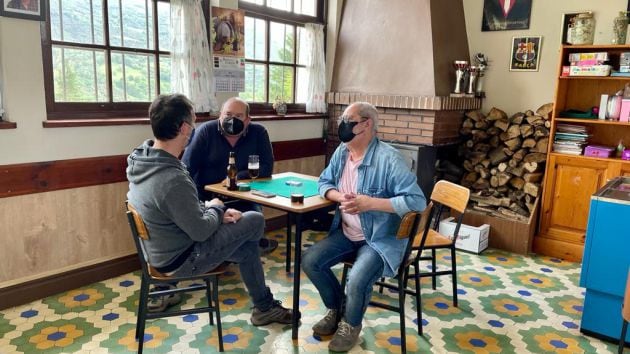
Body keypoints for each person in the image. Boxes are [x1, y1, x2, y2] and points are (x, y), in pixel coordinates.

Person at [126, 94, 292, 326]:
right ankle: (263, 303)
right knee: (254, 220)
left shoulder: (142, 160)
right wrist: (216, 208)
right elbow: (201, 232)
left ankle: (263, 306)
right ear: (184, 128)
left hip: (160, 251)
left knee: (245, 247)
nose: (194, 129)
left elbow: (181, 208)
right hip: (182, 260)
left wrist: (215, 213)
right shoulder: (172, 177)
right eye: (193, 123)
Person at [302, 102, 426, 352]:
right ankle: (337, 310)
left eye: (349, 120)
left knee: (357, 279)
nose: (342, 126)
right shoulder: (342, 151)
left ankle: (351, 324)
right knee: (310, 261)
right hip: (346, 233)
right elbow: (324, 181)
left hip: (379, 239)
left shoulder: (389, 159)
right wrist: (340, 197)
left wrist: (371, 203)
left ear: (367, 124)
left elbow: (417, 201)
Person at [182, 97, 279, 254]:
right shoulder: (205, 132)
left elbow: (267, 167)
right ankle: (228, 254)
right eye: (228, 114)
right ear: (220, 115)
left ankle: (245, 251)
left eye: (239, 116)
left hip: (244, 197)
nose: (232, 120)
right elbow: (186, 169)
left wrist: (237, 176)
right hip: (208, 198)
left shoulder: (258, 133)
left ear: (247, 120)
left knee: (256, 221)